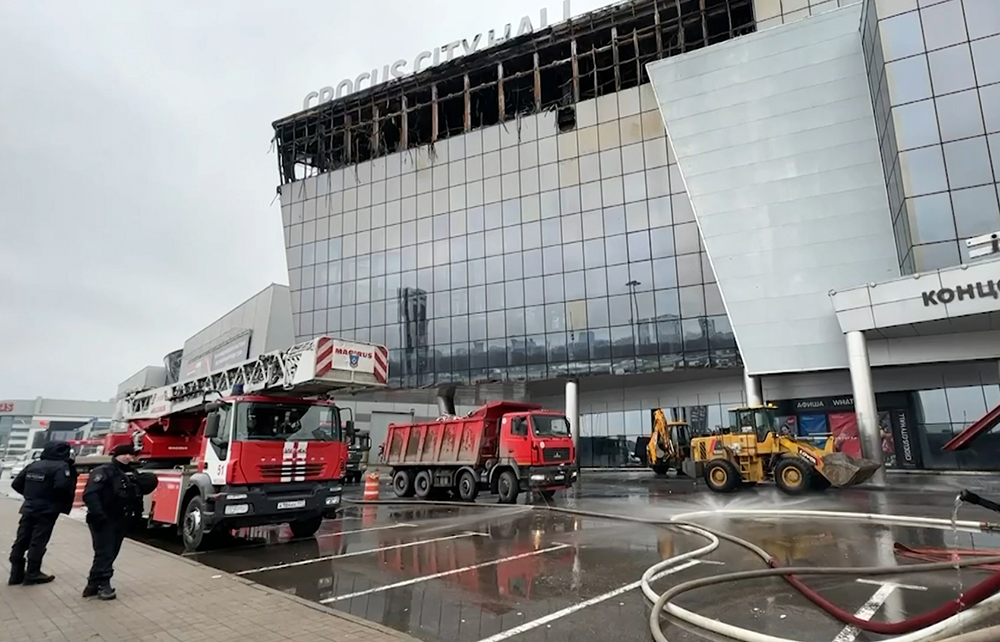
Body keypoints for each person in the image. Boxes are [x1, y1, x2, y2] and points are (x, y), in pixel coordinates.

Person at [8, 440, 77, 585]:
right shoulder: (61, 466)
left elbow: (16, 484)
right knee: (38, 541)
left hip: (29, 507)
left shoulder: (34, 465)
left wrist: (32, 496)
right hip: (47, 510)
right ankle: (33, 573)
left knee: (22, 539)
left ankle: (16, 574)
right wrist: (56, 501)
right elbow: (62, 487)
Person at [81, 443, 143, 600]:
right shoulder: (104, 471)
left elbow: (135, 494)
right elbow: (91, 494)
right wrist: (99, 515)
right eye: (125, 454)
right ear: (117, 455)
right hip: (104, 518)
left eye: (131, 454)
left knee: (110, 552)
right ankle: (104, 584)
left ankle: (93, 584)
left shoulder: (130, 472)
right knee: (105, 552)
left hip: (120, 518)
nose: (129, 457)